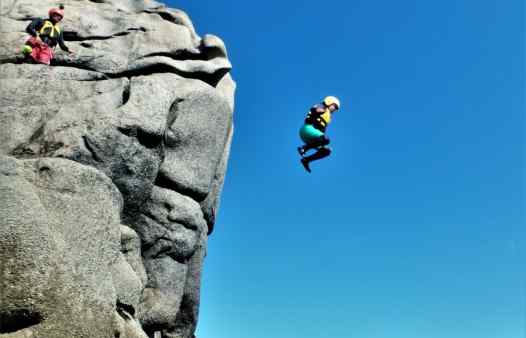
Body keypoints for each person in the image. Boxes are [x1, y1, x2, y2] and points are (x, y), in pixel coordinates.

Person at [297, 96, 341, 173]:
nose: (335, 109)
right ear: (329, 102)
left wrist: (322, 141)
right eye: (335, 106)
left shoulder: (328, 116)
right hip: (307, 129)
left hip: (313, 137)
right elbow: (312, 112)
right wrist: (318, 110)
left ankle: (306, 160)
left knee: (327, 151)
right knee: (326, 139)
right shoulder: (321, 107)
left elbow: (322, 132)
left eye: (336, 108)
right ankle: (303, 148)